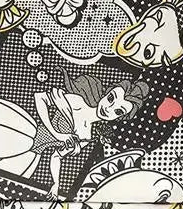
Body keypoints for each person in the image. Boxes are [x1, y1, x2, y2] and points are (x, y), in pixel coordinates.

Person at [33, 70, 150, 198]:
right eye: (110, 98)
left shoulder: (85, 135)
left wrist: (56, 184)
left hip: (33, 154)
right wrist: (57, 134)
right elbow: (40, 97)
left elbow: (56, 156)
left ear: (120, 118)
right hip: (28, 130)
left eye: (118, 111)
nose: (108, 108)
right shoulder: (78, 102)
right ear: (106, 92)